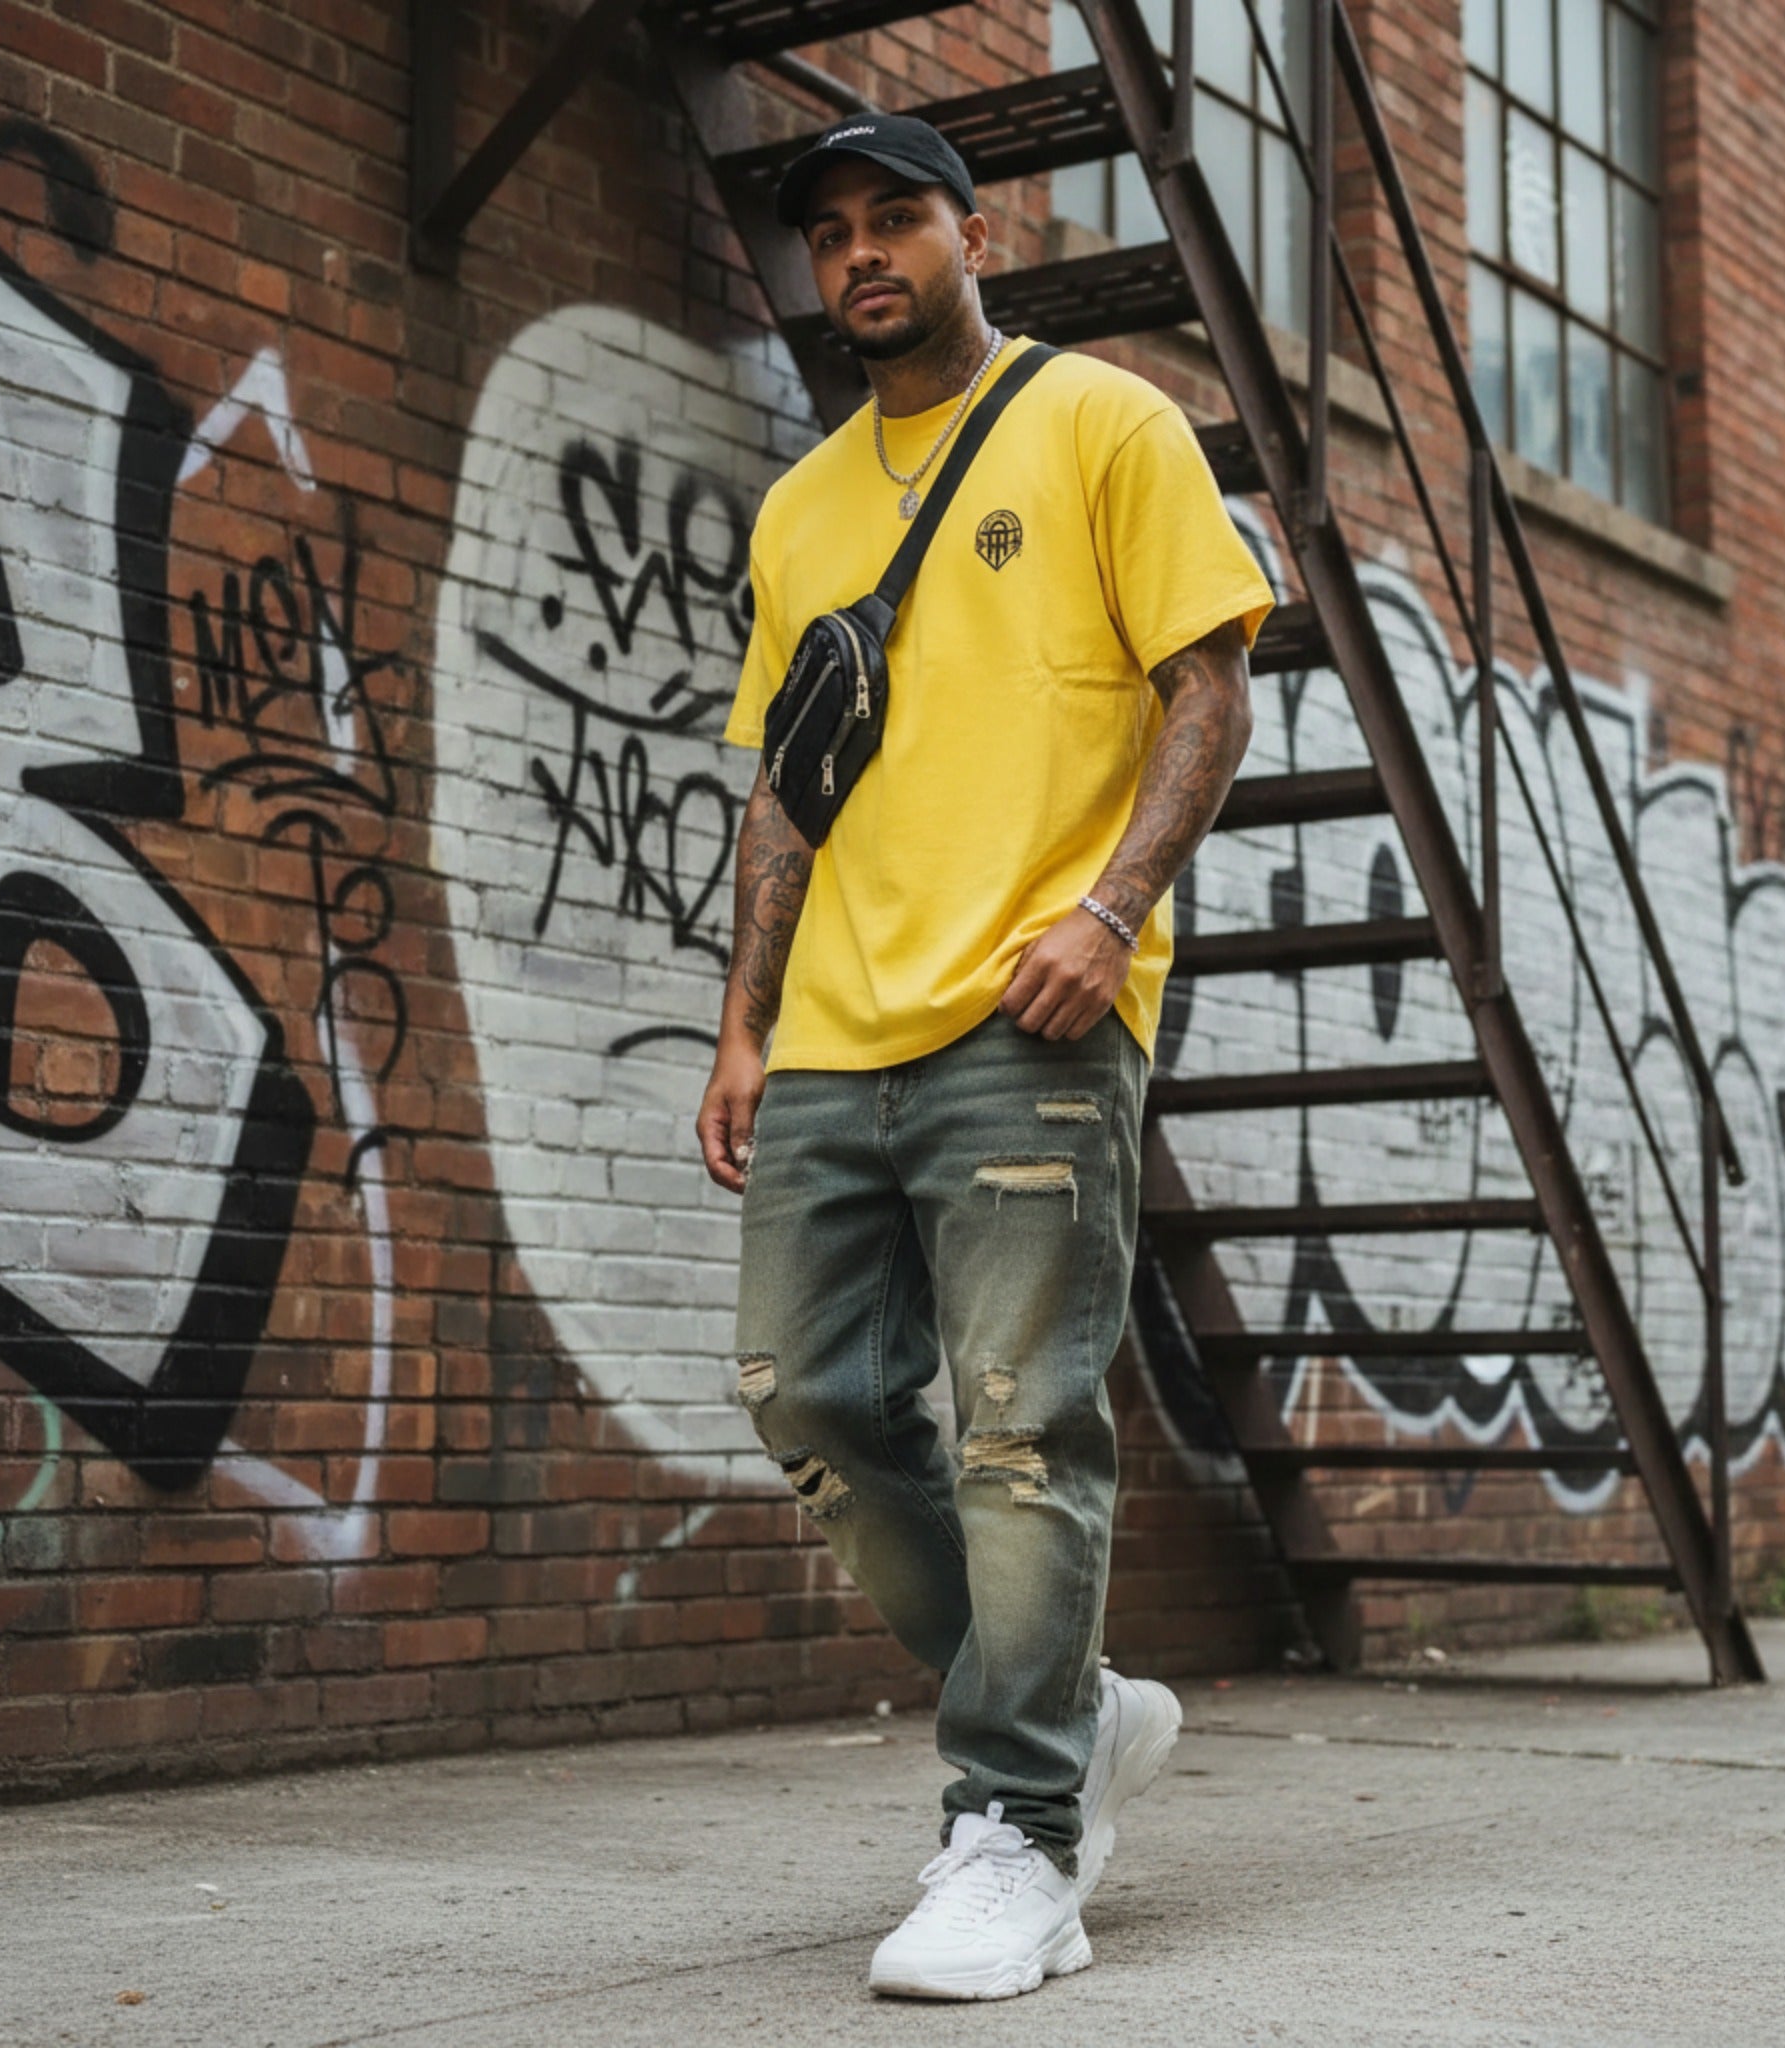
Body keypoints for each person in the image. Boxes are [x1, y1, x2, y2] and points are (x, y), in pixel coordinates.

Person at [695, 112, 1273, 2002]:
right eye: (830, 233)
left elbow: (1209, 687)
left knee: (1023, 1425)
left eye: (897, 218)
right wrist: (743, 1019)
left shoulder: (1103, 422)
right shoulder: (801, 509)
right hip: (830, 1038)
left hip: (1031, 1014)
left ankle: (1019, 1831)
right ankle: (1069, 1708)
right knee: (807, 1397)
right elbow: (788, 786)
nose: (860, 253)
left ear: (971, 233)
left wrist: (1111, 912)